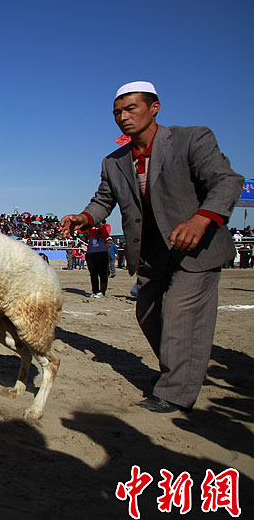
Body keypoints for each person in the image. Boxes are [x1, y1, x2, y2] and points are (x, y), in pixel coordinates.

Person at [61, 81, 243, 414]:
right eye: (117, 112)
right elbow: (104, 200)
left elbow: (227, 181)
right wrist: (84, 217)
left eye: (131, 108)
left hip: (196, 248)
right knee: (148, 315)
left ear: (154, 107)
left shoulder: (191, 139)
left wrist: (200, 220)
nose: (123, 117)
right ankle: (183, 371)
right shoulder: (114, 161)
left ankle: (175, 393)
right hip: (150, 253)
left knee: (180, 314)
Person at [84, 221, 111, 297]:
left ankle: (102, 291)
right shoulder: (90, 228)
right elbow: (81, 231)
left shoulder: (106, 226)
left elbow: (106, 235)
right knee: (93, 273)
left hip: (101, 253)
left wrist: (100, 226)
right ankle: (95, 290)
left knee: (103, 273)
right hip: (90, 253)